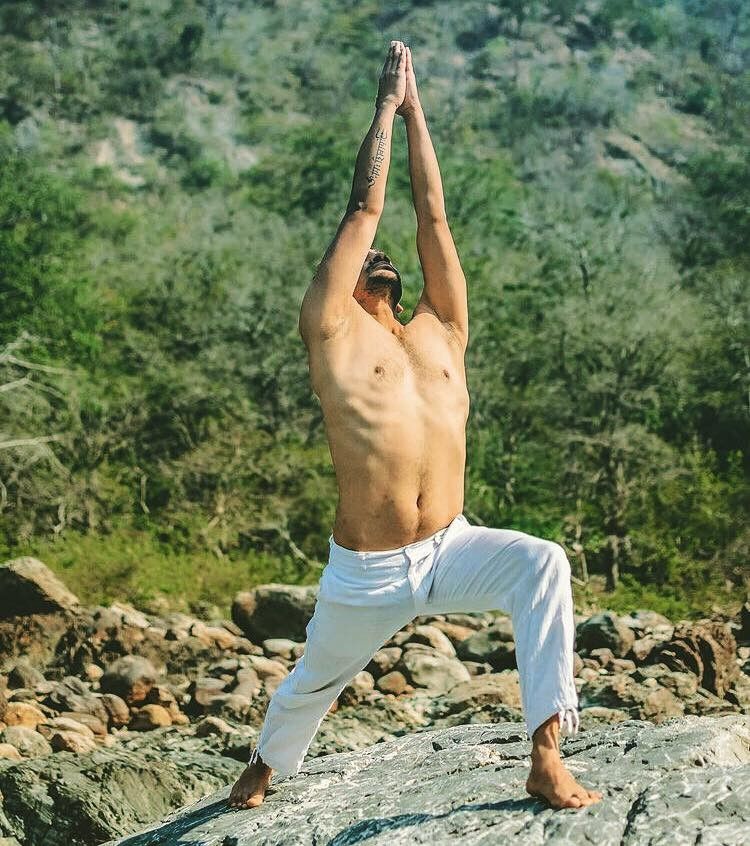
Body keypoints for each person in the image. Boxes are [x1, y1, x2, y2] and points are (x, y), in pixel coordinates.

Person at [229, 40, 603, 812]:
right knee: (313, 682)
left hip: (450, 547)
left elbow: (432, 212)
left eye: (386, 255)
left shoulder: (443, 331)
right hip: (367, 571)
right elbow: (364, 209)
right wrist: (384, 108)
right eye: (365, 256)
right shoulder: (333, 333)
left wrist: (418, 112)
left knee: (543, 563)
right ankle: (261, 768)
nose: (380, 252)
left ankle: (545, 755)